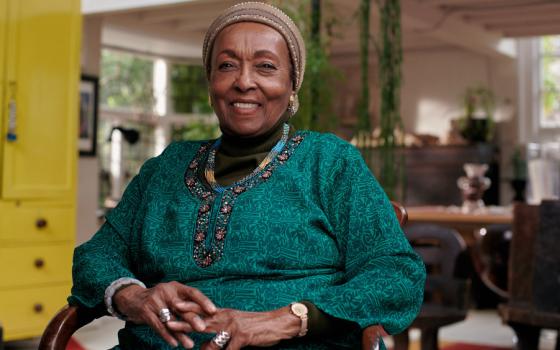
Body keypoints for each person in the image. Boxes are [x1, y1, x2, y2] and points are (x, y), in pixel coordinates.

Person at [69, 2, 425, 349]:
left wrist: (286, 319)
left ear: (291, 85)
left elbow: (396, 274)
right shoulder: (165, 168)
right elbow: (95, 256)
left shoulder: (330, 162)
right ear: (211, 83)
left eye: (266, 66)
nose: (244, 81)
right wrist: (135, 295)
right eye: (227, 65)